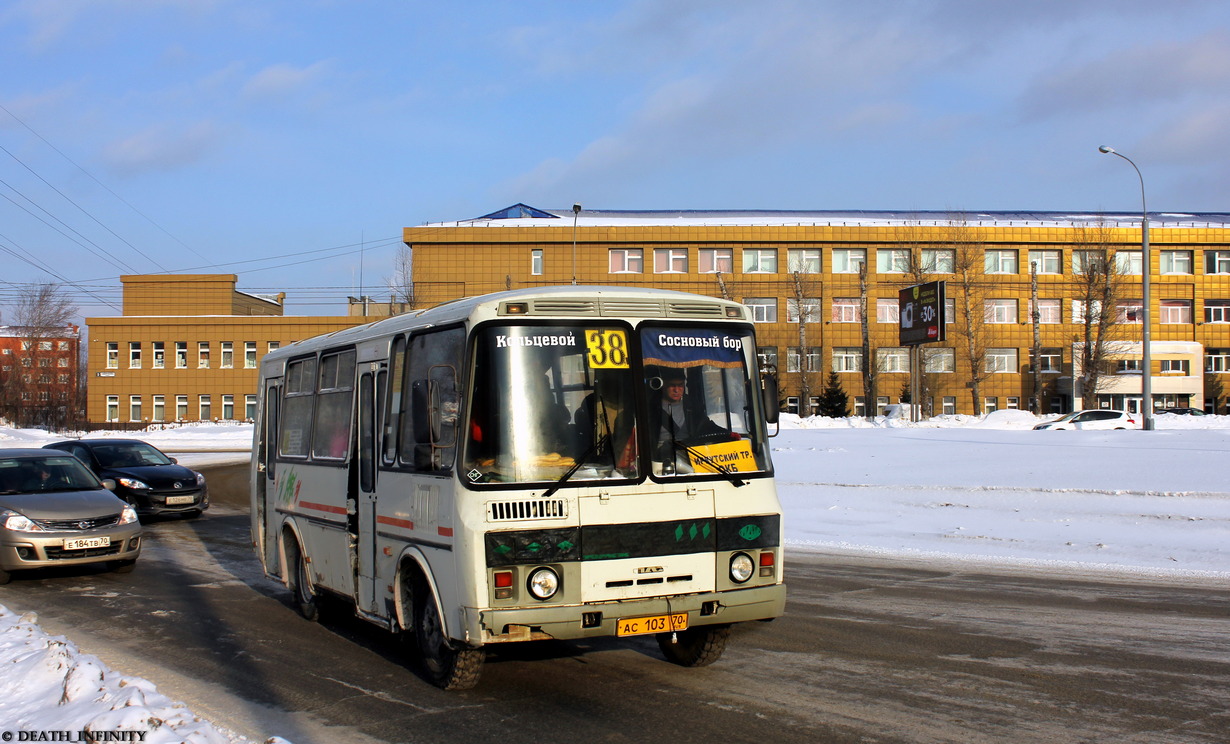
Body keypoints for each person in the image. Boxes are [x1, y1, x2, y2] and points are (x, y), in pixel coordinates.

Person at [649, 368, 730, 472]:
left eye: (681, 385)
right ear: (663, 385)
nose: (677, 390)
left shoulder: (691, 405)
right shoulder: (651, 407)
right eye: (672, 385)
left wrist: (727, 434)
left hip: (691, 453)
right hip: (661, 459)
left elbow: (705, 425)